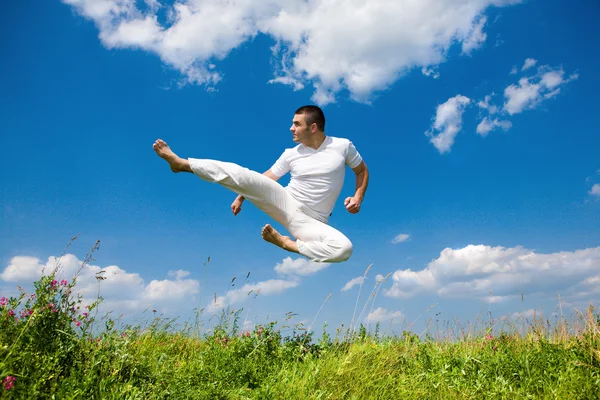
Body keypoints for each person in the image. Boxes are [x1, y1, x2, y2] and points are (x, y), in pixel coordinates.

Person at [152, 105, 369, 263]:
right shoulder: (290, 154)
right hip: (286, 202)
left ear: (313, 127)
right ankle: (182, 164)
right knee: (243, 173)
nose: (291, 128)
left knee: (344, 249)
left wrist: (358, 197)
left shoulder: (342, 146)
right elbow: (267, 178)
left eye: (296, 124)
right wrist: (241, 195)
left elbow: (361, 171)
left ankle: (287, 244)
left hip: (313, 222)